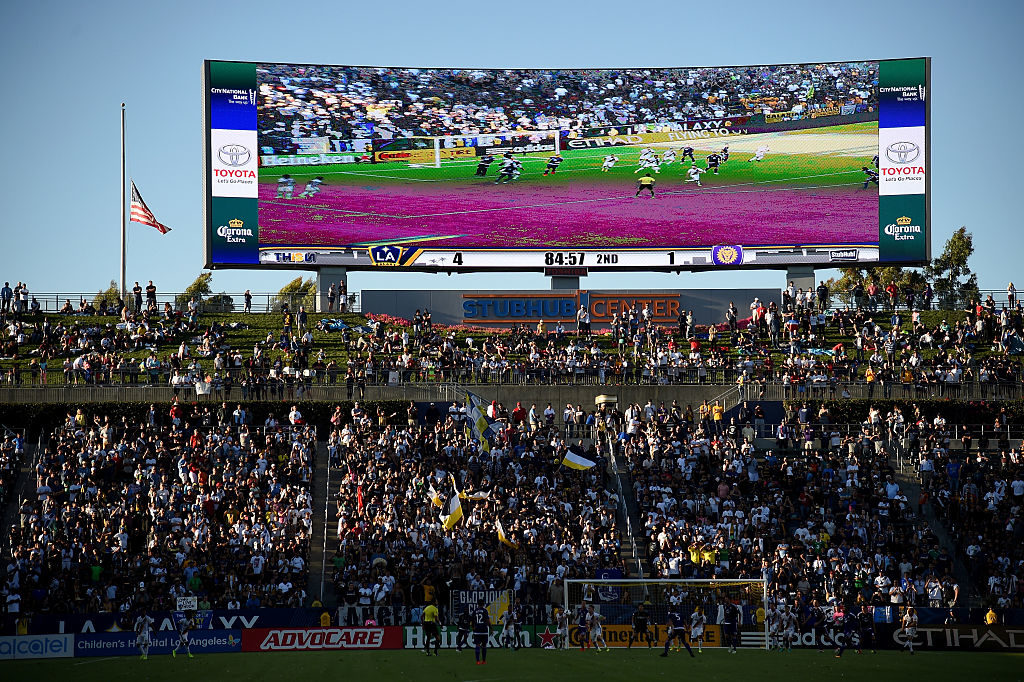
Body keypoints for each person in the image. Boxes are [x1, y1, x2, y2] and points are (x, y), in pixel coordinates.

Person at [472, 599, 490, 665]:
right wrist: (491, 628)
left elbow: (473, 621)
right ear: (483, 604)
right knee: (484, 645)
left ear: (477, 604)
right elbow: (487, 620)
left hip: (477, 630)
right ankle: (484, 661)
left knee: (477, 645)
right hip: (484, 630)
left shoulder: (475, 611)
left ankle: (478, 661)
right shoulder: (485, 611)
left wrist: (473, 628)